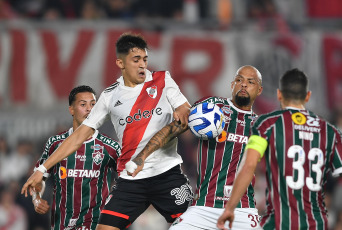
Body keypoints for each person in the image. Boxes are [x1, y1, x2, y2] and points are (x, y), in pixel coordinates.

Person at [22, 33, 193, 230]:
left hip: (166, 174)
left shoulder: (163, 80)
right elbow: (78, 137)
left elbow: (185, 112)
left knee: (193, 225)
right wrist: (42, 170)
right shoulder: (109, 96)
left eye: (145, 59)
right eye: (135, 60)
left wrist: (183, 110)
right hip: (131, 180)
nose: (142, 65)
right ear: (120, 63)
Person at [127, 65, 263, 229]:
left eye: (250, 81)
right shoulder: (212, 107)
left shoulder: (260, 126)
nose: (243, 84)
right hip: (203, 207)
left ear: (259, 90)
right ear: (232, 84)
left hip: (242, 210)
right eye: (239, 80)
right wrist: (143, 156)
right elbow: (175, 128)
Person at [217, 68, 342, 230]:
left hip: (279, 223)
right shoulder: (330, 132)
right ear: (307, 96)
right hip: (316, 224)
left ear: (279, 95)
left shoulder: (267, 125)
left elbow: (249, 166)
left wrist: (229, 208)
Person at [30, 85, 121, 230]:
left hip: (95, 223)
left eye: (93, 104)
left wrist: (113, 200)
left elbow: (128, 180)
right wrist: (36, 199)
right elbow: (38, 178)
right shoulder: (56, 143)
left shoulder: (110, 147)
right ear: (71, 109)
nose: (89, 109)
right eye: (83, 104)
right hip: (62, 223)